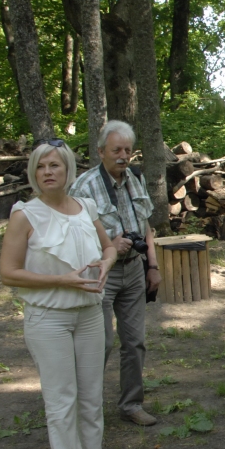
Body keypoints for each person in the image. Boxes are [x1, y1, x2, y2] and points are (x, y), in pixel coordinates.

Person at [0, 140, 119, 449]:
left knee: (91, 393)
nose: (47, 172)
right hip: (48, 318)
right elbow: (8, 273)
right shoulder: (25, 215)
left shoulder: (86, 207)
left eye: (54, 165)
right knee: (62, 399)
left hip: (89, 315)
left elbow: (110, 246)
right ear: (33, 173)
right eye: (40, 167)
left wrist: (107, 261)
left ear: (68, 170)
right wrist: (60, 280)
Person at [70, 121, 161, 426]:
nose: (123, 156)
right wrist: (110, 245)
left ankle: (132, 404)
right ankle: (88, 407)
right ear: (100, 152)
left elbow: (146, 227)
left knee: (134, 342)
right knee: (100, 343)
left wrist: (153, 265)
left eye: (127, 150)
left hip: (134, 270)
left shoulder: (135, 178)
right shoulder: (84, 187)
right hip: (102, 273)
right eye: (116, 150)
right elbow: (75, 236)